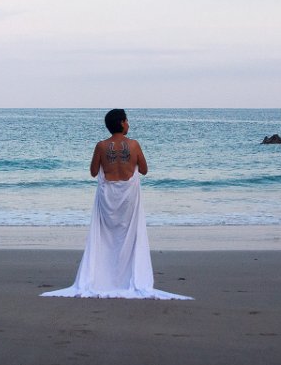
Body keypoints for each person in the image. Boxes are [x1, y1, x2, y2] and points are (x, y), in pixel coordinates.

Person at [41, 109, 192, 300]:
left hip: (107, 197)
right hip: (128, 197)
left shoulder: (101, 146)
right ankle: (127, 276)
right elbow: (144, 170)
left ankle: (103, 276)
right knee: (129, 235)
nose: (128, 124)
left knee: (106, 236)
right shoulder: (134, 145)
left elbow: (93, 172)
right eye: (127, 121)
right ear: (121, 122)